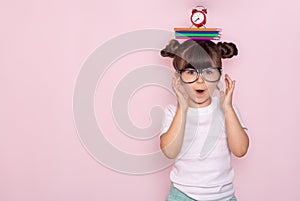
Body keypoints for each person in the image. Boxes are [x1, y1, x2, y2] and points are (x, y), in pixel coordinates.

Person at [160, 39, 249, 201]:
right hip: (183, 195)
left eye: (208, 72)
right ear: (179, 77)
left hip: (224, 196)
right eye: (191, 72)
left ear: (219, 76)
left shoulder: (228, 110)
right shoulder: (173, 112)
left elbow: (240, 150)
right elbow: (169, 151)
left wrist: (228, 108)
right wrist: (182, 107)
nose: (200, 80)